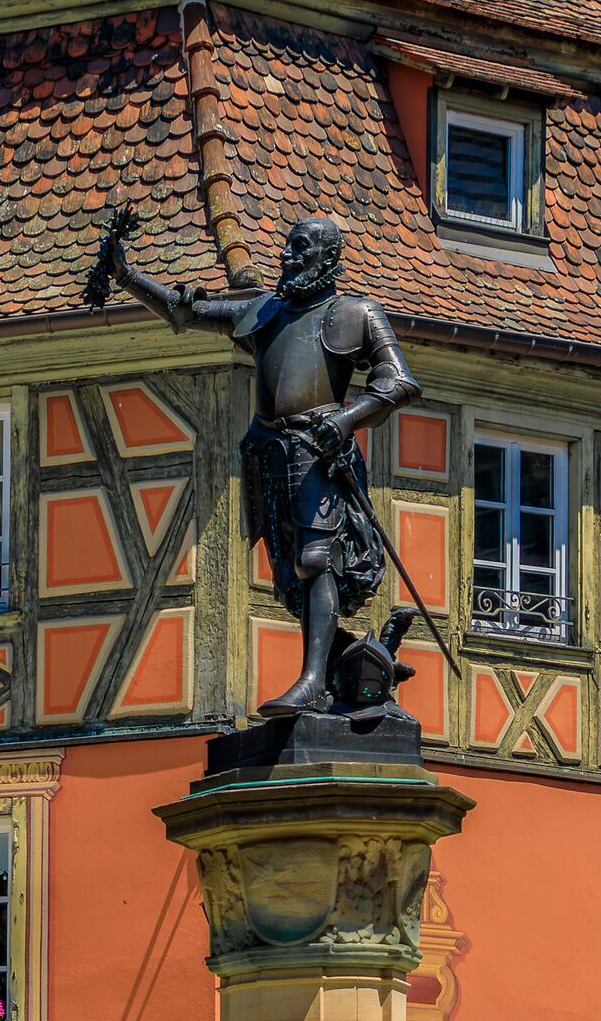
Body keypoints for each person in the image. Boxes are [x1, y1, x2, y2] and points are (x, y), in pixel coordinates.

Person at [85, 207, 421, 717]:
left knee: (315, 560)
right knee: (288, 578)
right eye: (287, 245)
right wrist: (128, 275)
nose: (287, 256)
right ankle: (350, 664)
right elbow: (187, 312)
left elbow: (398, 381)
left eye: (301, 247)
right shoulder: (266, 311)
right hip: (268, 452)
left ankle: (311, 681)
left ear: (329, 257)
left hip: (317, 449)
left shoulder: (357, 313)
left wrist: (349, 419)